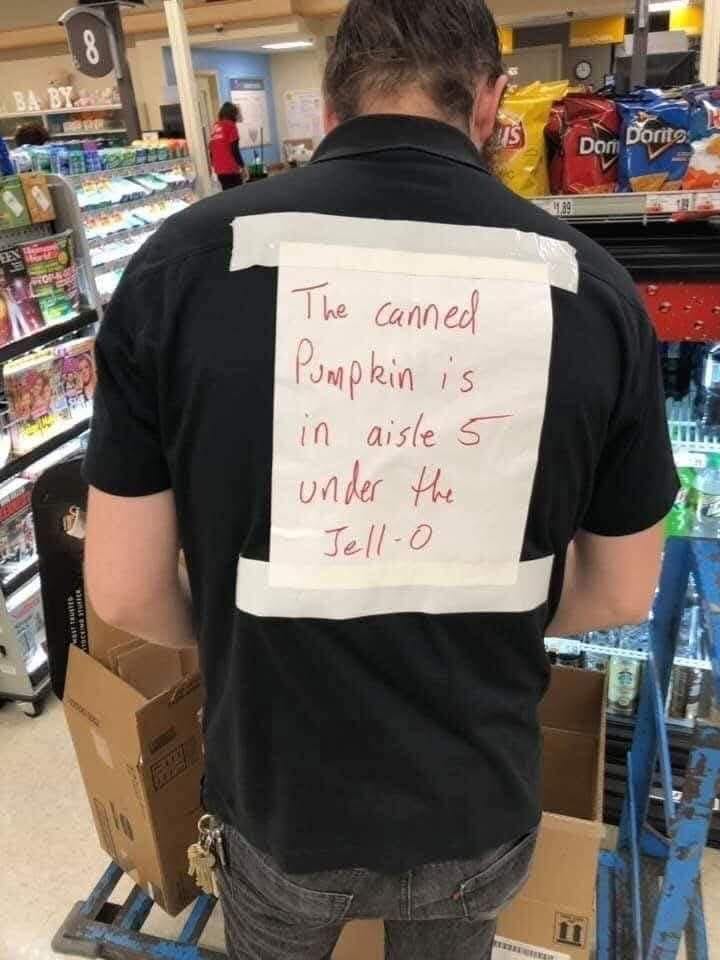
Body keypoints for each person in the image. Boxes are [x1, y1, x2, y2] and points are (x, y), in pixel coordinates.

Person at [83, 1, 678, 957]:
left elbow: (121, 591)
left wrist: (241, 624)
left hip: (278, 795)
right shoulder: (598, 291)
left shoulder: (178, 270)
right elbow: (620, 591)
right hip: (476, 798)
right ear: (489, 104)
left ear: (330, 105)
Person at [209, 101, 247, 190]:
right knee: (238, 193)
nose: (237, 116)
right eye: (236, 114)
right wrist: (243, 166)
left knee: (227, 193)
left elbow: (211, 149)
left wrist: (213, 166)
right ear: (232, 114)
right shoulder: (231, 126)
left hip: (219, 169)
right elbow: (234, 150)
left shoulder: (216, 127)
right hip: (230, 168)